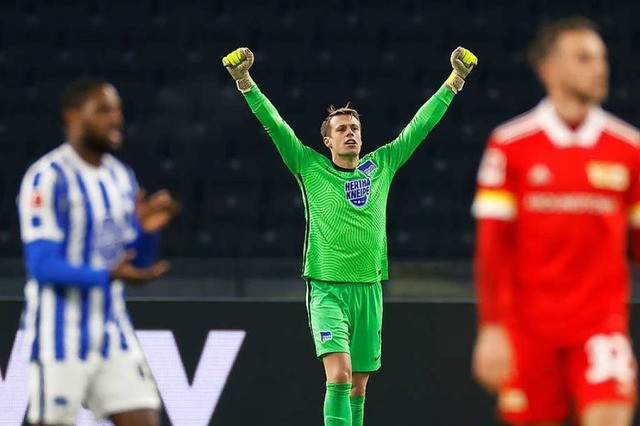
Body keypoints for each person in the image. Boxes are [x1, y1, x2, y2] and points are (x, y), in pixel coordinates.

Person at [222, 46, 477, 425]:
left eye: (354, 128)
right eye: (341, 129)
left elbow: (420, 126)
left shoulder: (383, 164)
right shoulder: (309, 166)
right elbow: (276, 127)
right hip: (326, 287)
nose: (350, 134)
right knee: (339, 376)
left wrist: (454, 81)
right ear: (327, 141)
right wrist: (246, 83)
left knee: (358, 385)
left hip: (369, 288)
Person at [472, 16, 638, 426]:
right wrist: (492, 329)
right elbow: (493, 246)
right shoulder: (511, 144)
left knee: (611, 414)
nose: (599, 68)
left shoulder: (628, 148)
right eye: (583, 58)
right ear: (548, 69)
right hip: (529, 330)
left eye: (602, 58)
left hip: (600, 325)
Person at [17, 78, 181, 426]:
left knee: (143, 418)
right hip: (59, 334)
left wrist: (146, 234)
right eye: (103, 110)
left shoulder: (121, 178)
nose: (115, 118)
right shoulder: (48, 177)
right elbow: (42, 265)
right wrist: (107, 275)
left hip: (111, 330)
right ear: (73, 116)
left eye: (117, 109)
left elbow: (132, 262)